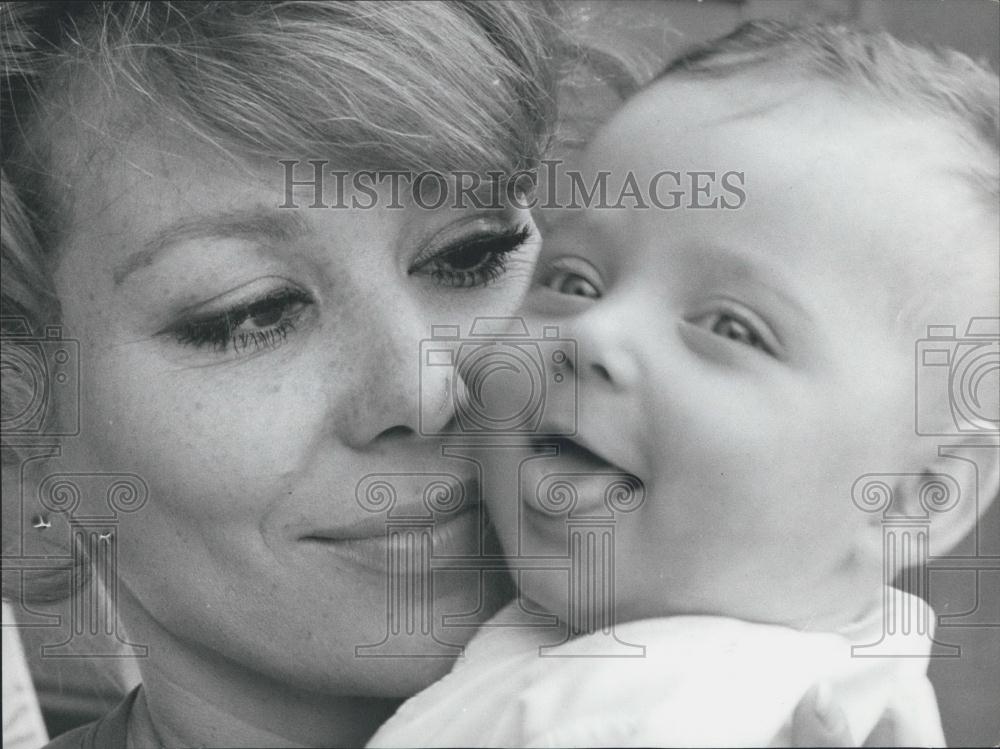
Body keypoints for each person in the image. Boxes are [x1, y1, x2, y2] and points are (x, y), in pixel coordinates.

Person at [366, 21, 1000, 748]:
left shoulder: (668, 713)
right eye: (573, 280)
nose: (597, 332)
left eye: (731, 328)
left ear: (917, 496)